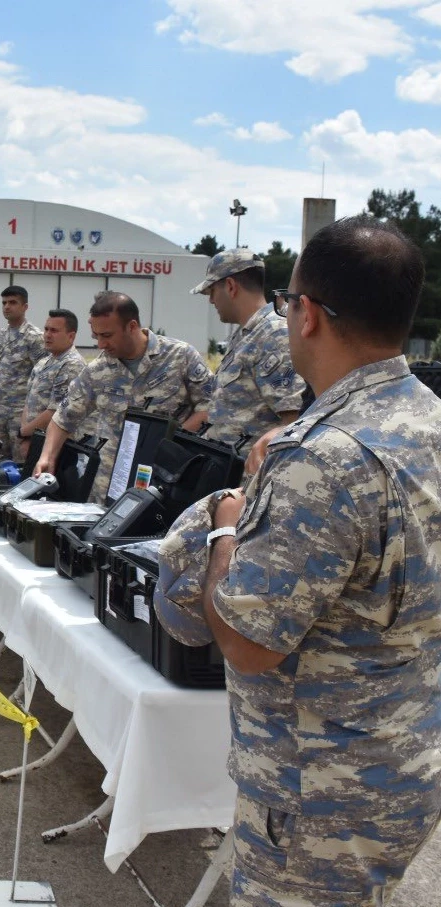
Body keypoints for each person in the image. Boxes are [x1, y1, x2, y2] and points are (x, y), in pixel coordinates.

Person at [193, 215, 441, 905]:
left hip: (316, 797)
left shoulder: (322, 460)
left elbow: (246, 641)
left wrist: (224, 530)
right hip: (402, 763)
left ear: (303, 314)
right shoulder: (424, 417)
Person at [35, 291, 212, 503]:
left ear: (132, 326)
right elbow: (63, 418)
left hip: (163, 484)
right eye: (96, 336)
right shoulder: (98, 370)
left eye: (107, 336)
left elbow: (209, 408)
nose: (100, 344)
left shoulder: (180, 357)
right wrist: (47, 457)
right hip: (107, 487)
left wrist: (169, 443)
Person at [189, 249, 305, 448]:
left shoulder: (273, 335)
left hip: (254, 476)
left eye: (212, 291)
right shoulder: (246, 334)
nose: (211, 300)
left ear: (231, 286)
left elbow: (293, 422)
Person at [18, 309, 87, 460]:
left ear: (71, 336)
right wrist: (26, 434)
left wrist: (24, 433)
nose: (47, 335)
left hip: (55, 449)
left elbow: (55, 412)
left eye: (54, 331)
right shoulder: (44, 362)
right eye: (46, 329)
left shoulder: (72, 365)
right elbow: (28, 402)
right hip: (33, 439)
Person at [0, 285, 46, 449]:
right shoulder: (2, 334)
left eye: (12, 302)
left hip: (20, 415)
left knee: (20, 466)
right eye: (4, 303)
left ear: (25, 307)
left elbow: (42, 379)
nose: (7, 306)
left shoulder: (34, 337)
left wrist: (32, 420)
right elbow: (1, 372)